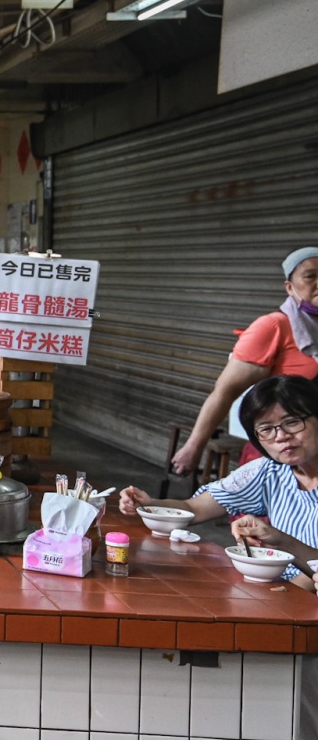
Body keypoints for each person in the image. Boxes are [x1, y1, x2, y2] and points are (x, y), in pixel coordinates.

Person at [121, 375, 318, 586]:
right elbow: (193, 508)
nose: (281, 436)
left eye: (293, 422)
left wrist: (282, 542)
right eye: (267, 429)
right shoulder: (269, 471)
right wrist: (150, 505)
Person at [169, 248, 318, 473]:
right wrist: (194, 447)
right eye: (310, 276)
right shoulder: (273, 327)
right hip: (280, 455)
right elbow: (224, 392)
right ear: (289, 286)